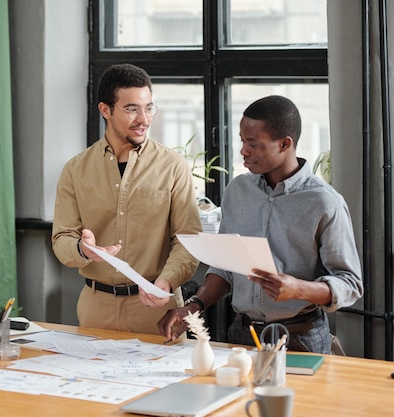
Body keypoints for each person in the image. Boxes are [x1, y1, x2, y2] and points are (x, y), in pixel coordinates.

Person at [157, 95, 363, 353]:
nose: (243, 151)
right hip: (241, 335)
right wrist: (193, 306)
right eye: (243, 141)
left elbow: (350, 284)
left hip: (300, 340)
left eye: (253, 144)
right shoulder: (238, 191)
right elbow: (224, 268)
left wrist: (298, 288)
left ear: (285, 144)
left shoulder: (324, 202)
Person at [51, 63, 202, 334]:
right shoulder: (76, 169)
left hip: (155, 306)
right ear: (105, 110)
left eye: (148, 108)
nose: (143, 118)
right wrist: (83, 250)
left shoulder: (173, 166)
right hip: (96, 306)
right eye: (132, 109)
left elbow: (188, 239)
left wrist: (166, 282)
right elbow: (61, 239)